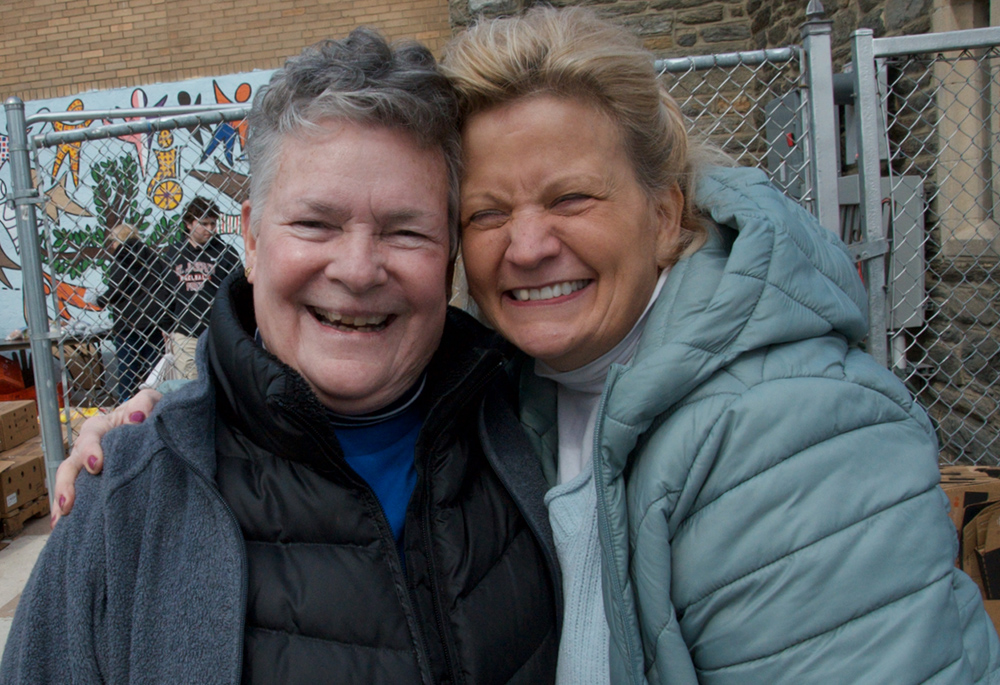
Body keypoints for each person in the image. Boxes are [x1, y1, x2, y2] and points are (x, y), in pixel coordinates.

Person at [53, 7, 1000, 684]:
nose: (532, 244)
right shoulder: (521, 392)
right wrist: (164, 424)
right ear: (250, 239)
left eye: (574, 197)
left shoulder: (780, 431)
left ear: (667, 210)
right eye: (489, 211)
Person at [1, 29, 559, 684]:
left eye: (405, 230)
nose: (357, 269)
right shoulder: (127, 505)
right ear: (254, 240)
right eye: (316, 223)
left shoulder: (539, 433)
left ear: (450, 260)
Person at [165, 196, 241, 379]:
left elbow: (237, 290)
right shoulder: (173, 253)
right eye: (204, 224)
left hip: (217, 331)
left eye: (213, 224)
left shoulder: (225, 253)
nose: (210, 230)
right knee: (188, 383)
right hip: (185, 331)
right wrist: (167, 326)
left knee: (220, 380)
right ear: (189, 224)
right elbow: (165, 293)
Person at [96, 223, 172, 401]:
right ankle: (156, 404)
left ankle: (126, 405)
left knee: (128, 370)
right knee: (154, 369)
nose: (112, 247)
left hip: (128, 322)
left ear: (117, 240)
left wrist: (100, 300)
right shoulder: (152, 256)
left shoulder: (121, 257)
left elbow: (117, 287)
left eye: (112, 242)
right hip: (153, 320)